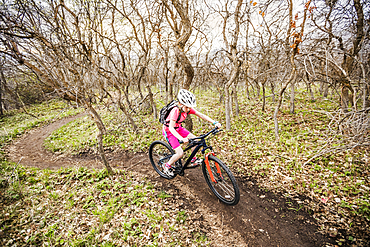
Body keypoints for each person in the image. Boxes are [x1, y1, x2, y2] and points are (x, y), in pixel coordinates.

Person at [162, 89, 222, 176]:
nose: (189, 109)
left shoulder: (187, 108)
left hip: (179, 128)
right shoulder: (175, 111)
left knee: (196, 141)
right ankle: (166, 166)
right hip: (169, 132)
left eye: (189, 107)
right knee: (180, 153)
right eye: (187, 107)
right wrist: (181, 138)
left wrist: (214, 122)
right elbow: (171, 128)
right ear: (180, 104)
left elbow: (201, 115)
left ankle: (193, 160)